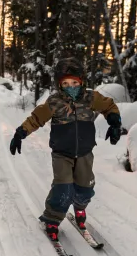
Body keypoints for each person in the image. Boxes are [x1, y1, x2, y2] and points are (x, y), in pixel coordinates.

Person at [9, 58, 123, 241]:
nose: (71, 86)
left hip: (85, 153)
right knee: (63, 189)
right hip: (62, 154)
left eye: (75, 82)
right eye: (66, 83)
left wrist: (115, 122)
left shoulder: (90, 97)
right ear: (59, 84)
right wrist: (20, 133)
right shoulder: (54, 102)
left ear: (82, 81)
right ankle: (51, 220)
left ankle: (79, 207)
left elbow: (109, 106)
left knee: (85, 189)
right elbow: (36, 118)